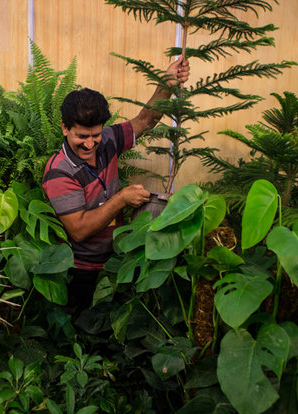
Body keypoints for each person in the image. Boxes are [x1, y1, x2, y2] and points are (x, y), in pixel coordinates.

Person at [42, 58, 190, 311]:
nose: (90, 144)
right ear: (65, 128)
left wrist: (167, 82)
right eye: (82, 136)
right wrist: (121, 199)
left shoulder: (109, 140)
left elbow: (145, 120)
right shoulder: (59, 172)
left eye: (95, 135)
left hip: (119, 260)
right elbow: (78, 230)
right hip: (83, 272)